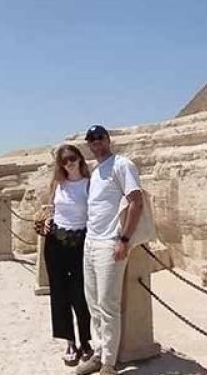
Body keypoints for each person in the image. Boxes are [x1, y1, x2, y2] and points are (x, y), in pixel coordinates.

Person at [75, 125, 145, 375]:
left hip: (110, 243)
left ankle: (109, 363)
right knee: (93, 302)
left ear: (108, 139)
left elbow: (137, 201)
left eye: (99, 137)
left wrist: (124, 239)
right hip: (91, 242)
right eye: (91, 139)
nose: (96, 142)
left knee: (108, 304)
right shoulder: (95, 170)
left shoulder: (121, 164)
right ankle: (97, 353)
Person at [42, 144, 95, 366]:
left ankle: (86, 341)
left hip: (80, 243)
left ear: (80, 159)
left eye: (72, 158)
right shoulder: (58, 183)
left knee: (80, 294)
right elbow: (51, 207)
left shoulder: (90, 184)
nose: (69, 164)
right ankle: (70, 342)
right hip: (55, 243)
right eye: (63, 161)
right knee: (59, 295)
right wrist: (47, 220)